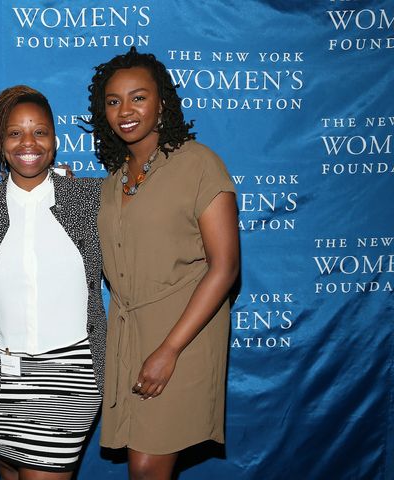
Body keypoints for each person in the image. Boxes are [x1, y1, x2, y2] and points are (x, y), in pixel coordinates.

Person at [87, 48, 240, 479]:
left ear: (163, 103)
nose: (125, 110)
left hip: (182, 333)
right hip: (129, 333)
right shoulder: (116, 178)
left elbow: (225, 267)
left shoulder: (199, 164)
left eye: (138, 97)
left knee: (148, 465)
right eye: (113, 101)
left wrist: (170, 350)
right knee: (144, 462)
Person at [0, 85, 107, 480]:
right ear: (0, 143)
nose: (28, 142)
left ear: (56, 140)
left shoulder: (89, 198)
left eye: (40, 132)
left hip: (70, 374)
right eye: (15, 133)